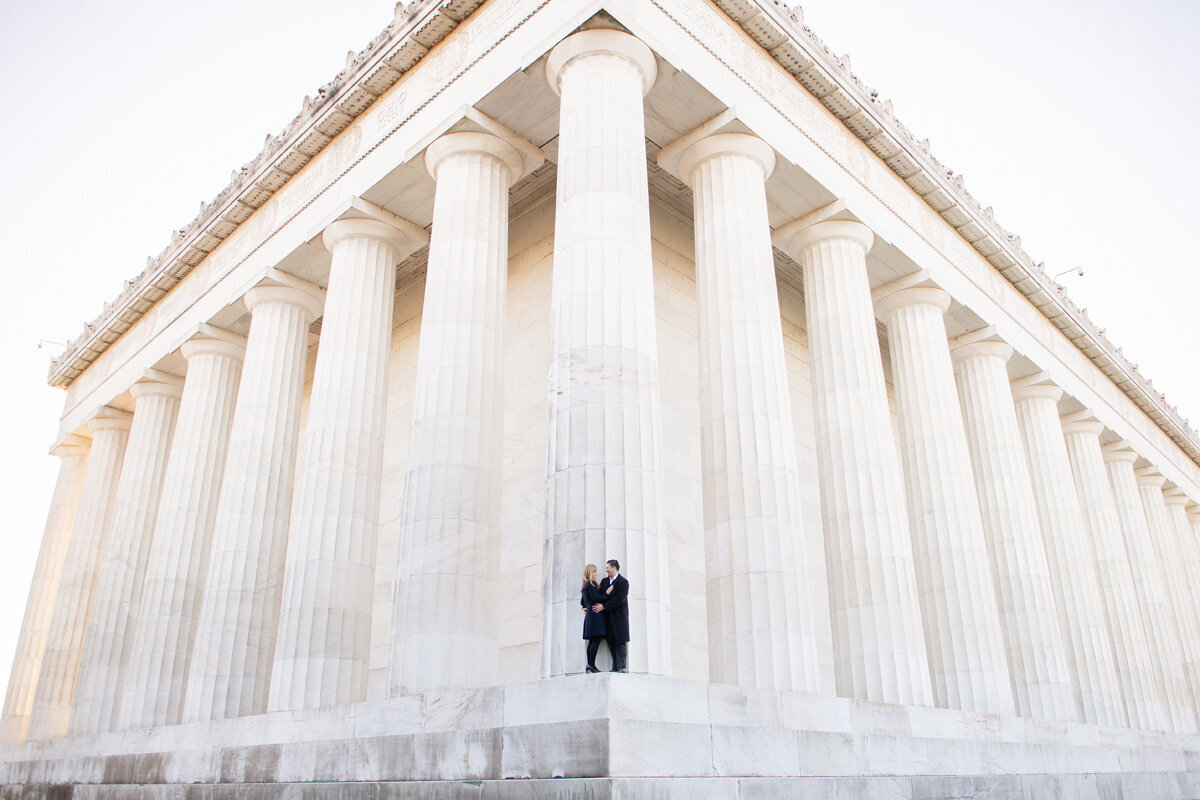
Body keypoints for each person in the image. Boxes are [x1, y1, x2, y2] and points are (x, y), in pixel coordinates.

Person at [592, 559, 629, 673]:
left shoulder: (623, 582)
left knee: (620, 642)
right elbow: (597, 596)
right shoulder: (604, 582)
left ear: (614, 568)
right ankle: (615, 667)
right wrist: (585, 606)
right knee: (611, 642)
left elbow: (619, 599)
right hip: (607, 618)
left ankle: (621, 666)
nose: (606, 570)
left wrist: (604, 606)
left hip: (619, 618)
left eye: (607, 567)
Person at [580, 564, 606, 673]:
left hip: (591, 614)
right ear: (590, 572)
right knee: (596, 639)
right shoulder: (591, 584)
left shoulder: (585, 585)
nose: (596, 574)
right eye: (594, 572)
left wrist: (584, 608)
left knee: (592, 640)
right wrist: (606, 593)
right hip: (595, 614)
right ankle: (591, 664)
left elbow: (582, 602)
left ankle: (590, 665)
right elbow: (596, 598)